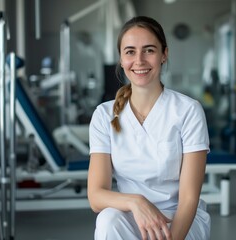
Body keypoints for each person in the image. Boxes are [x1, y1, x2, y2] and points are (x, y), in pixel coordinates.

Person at [88, 16, 211, 240]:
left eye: (149, 50)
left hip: (180, 218)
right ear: (121, 59)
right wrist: (136, 201)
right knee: (107, 219)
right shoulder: (104, 115)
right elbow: (96, 196)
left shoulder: (188, 111)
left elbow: (189, 199)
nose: (139, 60)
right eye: (130, 52)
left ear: (164, 54)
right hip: (132, 216)